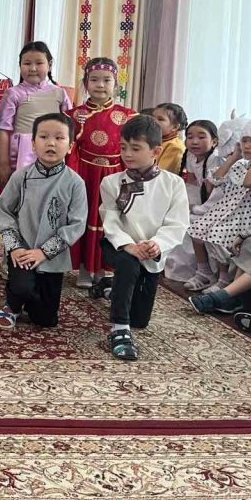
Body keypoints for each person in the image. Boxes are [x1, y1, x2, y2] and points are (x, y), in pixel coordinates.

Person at [98, 115, 190, 359]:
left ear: (156, 151)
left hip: (152, 251)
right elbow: (111, 221)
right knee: (128, 266)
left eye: (135, 148)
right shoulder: (111, 182)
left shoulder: (173, 184)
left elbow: (177, 223)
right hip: (119, 246)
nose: (127, 154)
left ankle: (110, 288)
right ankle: (119, 329)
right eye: (123, 147)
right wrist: (128, 245)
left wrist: (156, 244)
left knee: (140, 319)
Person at [0, 113, 86, 330]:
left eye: (59, 138)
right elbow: (3, 210)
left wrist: (44, 252)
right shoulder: (21, 177)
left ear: (70, 146)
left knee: (45, 319)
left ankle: (30, 301)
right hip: (23, 251)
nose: (51, 143)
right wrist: (15, 247)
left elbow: (77, 224)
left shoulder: (75, 183)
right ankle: (13, 304)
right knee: (23, 287)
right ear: (33, 144)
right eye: (44, 137)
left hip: (52, 256)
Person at [185, 118, 251, 296]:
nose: (247, 145)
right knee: (196, 229)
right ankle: (204, 272)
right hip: (228, 210)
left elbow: (249, 182)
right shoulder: (241, 164)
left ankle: (223, 280)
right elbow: (214, 180)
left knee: (217, 234)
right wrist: (234, 157)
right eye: (244, 140)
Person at [66, 57, 136, 288]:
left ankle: (105, 268)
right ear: (86, 82)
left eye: (107, 80)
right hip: (85, 174)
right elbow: (68, 147)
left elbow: (134, 148)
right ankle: (84, 268)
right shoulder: (72, 114)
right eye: (94, 79)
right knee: (85, 218)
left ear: (116, 84)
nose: (100, 85)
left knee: (111, 219)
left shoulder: (128, 116)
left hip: (116, 175)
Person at [0, 41, 72, 186]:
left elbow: (69, 126)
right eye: (27, 63)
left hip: (52, 150)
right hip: (22, 155)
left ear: (49, 65)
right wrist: (3, 163)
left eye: (39, 63)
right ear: (19, 66)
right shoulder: (13, 93)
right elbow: (3, 129)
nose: (33, 68)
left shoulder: (60, 93)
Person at [164, 120, 223, 282]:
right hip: (200, 197)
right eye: (190, 137)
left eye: (201, 137)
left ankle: (202, 270)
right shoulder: (190, 156)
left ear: (214, 141)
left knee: (190, 222)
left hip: (216, 202)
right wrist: (181, 204)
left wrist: (196, 207)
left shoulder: (215, 159)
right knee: (173, 216)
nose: (195, 141)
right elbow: (190, 182)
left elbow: (214, 193)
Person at [151, 103, 188, 175]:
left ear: (175, 127)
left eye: (160, 119)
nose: (153, 121)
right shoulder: (154, 140)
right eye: (152, 118)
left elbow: (162, 175)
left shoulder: (176, 147)